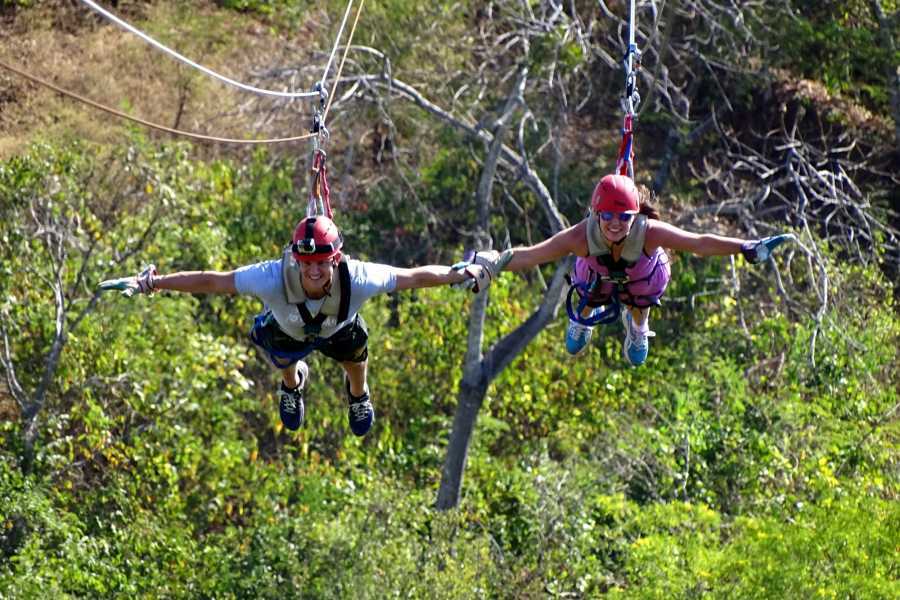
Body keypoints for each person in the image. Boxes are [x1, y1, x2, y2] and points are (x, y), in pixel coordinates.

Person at [99, 215, 506, 436]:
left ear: (335, 259)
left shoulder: (358, 277)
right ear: (296, 258)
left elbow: (415, 275)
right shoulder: (272, 277)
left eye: (320, 262)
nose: (312, 271)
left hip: (338, 329)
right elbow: (214, 281)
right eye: (306, 263)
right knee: (279, 347)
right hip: (289, 330)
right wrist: (153, 282)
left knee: (355, 350)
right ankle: (293, 384)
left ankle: (358, 395)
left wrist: (461, 272)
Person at [481, 174, 793, 366]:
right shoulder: (580, 236)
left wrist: (745, 246)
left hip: (639, 281)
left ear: (634, 216)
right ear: (595, 214)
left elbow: (698, 242)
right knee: (590, 278)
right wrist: (493, 263)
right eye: (607, 216)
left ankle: (638, 326)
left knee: (642, 287)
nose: (615, 224)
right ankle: (584, 318)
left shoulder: (649, 231)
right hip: (598, 278)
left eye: (624, 217)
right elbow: (534, 255)